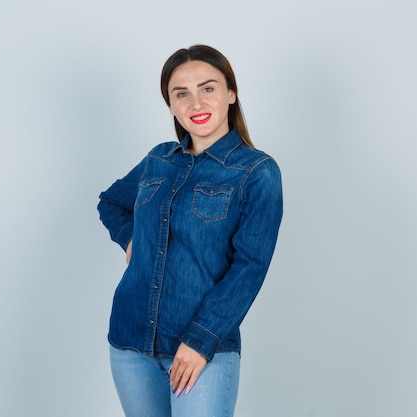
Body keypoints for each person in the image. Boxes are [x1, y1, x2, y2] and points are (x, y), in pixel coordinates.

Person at [97, 44, 283, 417]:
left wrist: (201, 340)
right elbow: (111, 202)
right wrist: (131, 239)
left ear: (231, 93)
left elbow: (249, 268)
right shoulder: (158, 159)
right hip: (130, 341)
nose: (195, 103)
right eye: (181, 94)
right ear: (170, 104)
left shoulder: (257, 172)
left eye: (208, 88)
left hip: (202, 350)